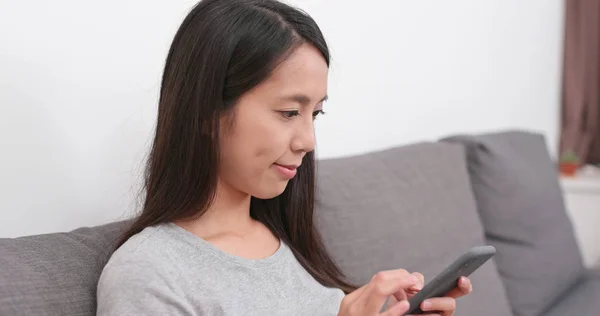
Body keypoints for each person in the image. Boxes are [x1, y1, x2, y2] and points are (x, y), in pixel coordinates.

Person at [96, 0, 473, 315]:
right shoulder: (149, 274)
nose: (308, 141)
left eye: (316, 114)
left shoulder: (287, 241)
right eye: (289, 112)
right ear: (207, 112)